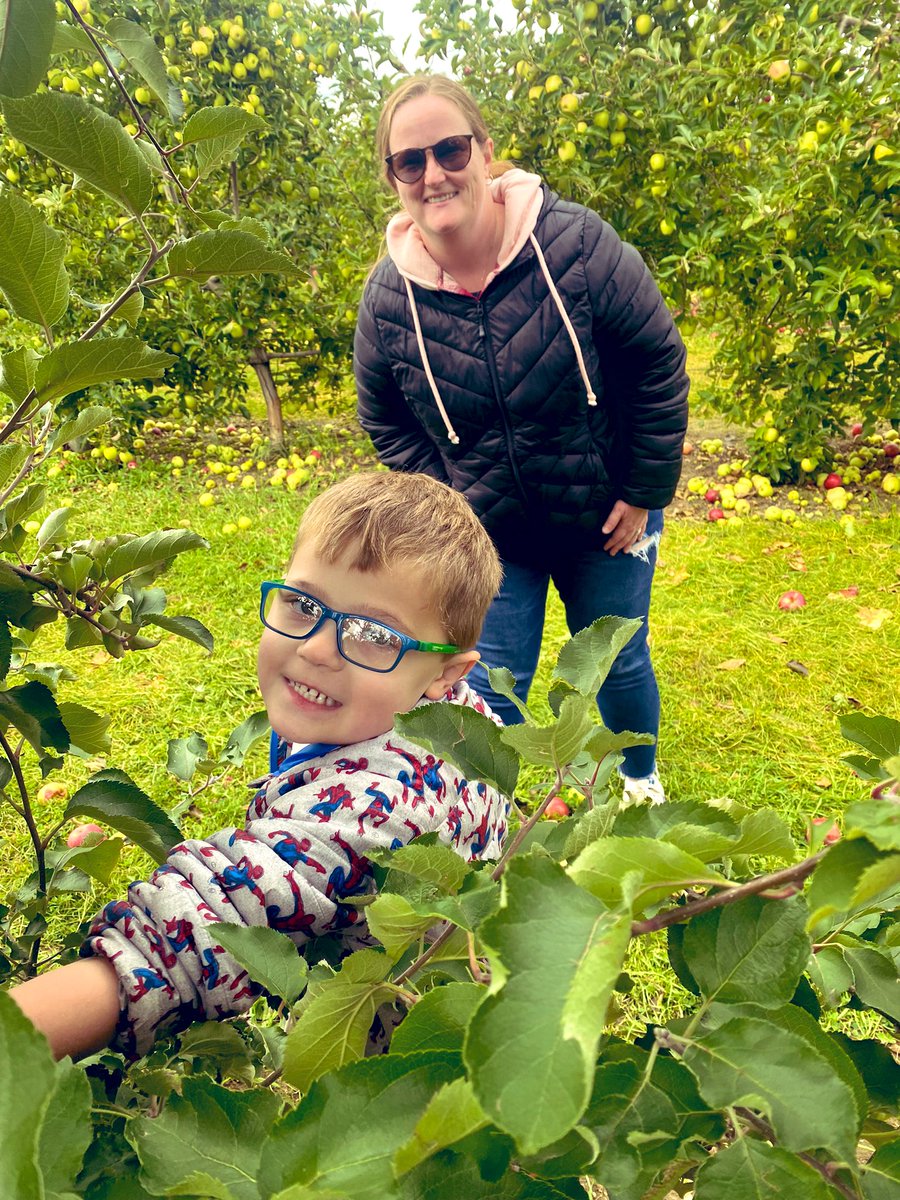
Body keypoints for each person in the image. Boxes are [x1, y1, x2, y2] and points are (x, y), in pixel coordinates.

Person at [8, 471, 506, 1061]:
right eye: (302, 604)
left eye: (374, 633)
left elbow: (206, 930)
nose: (317, 648)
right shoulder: (453, 723)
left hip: (409, 1068)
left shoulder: (381, 804)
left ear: (446, 673)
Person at [355, 74, 689, 808]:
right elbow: (386, 419)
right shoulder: (387, 301)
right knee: (484, 678)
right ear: (393, 177)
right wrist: (454, 507)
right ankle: (477, 813)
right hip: (493, 531)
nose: (434, 173)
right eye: (411, 161)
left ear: (485, 151)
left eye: (450, 149)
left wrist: (643, 489)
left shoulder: (572, 244)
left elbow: (655, 357)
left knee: (618, 660)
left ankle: (639, 783)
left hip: (608, 516)